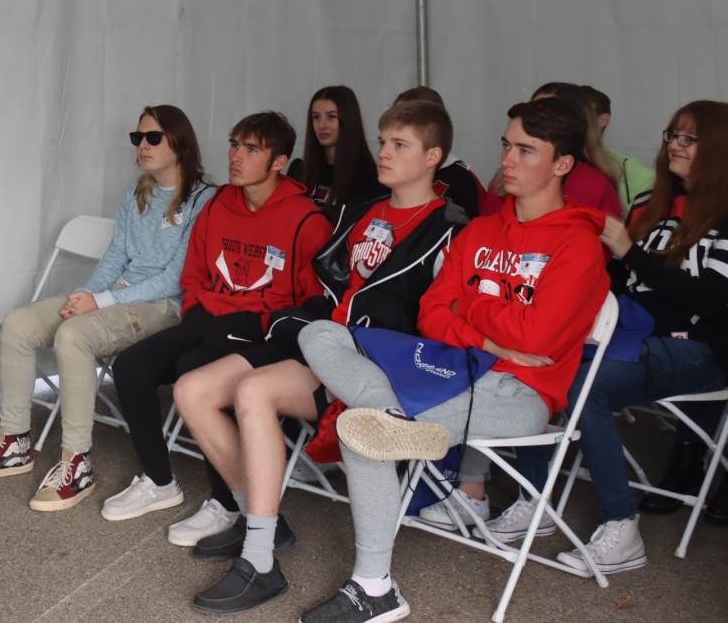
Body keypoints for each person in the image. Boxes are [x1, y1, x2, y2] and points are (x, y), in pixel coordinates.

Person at [296, 97, 608, 623]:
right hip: (445, 367)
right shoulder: (481, 231)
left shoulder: (578, 246)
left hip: (517, 394)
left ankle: (375, 588)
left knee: (359, 429)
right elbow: (431, 315)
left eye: (526, 150)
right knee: (321, 332)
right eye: (507, 146)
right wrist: (486, 336)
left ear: (562, 164)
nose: (507, 160)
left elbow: (537, 335)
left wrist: (467, 305)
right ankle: (385, 412)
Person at [177, 100, 468, 615]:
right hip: (321, 344)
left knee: (251, 391)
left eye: (400, 145)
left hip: (380, 366)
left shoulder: (450, 227)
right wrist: (292, 322)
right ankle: (258, 525)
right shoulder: (362, 211)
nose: (384, 152)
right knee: (192, 390)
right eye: (382, 141)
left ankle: (259, 558)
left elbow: (436, 321)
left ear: (433, 157)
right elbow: (329, 290)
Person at [481, 101, 728, 572]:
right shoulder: (650, 205)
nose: (673, 145)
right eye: (671, 135)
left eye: (687, 139)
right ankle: (537, 502)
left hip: (701, 350)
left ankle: (622, 527)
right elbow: (618, 282)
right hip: (630, 337)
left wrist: (631, 253)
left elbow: (709, 301)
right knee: (540, 365)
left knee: (580, 385)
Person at [0, 106, 213, 512]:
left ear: (179, 141)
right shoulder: (137, 190)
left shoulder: (203, 199)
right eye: (137, 138)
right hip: (117, 295)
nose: (142, 145)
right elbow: (115, 256)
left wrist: (101, 302)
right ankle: (15, 444)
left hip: (162, 305)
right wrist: (84, 296)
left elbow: (176, 278)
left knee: (73, 336)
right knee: (20, 323)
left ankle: (77, 463)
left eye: (153, 137)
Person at [103, 112, 332, 543]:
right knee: (131, 366)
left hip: (260, 330)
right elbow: (192, 273)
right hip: (208, 316)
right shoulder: (219, 203)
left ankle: (227, 504)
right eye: (234, 144)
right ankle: (160, 481)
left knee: (195, 371)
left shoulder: (306, 220)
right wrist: (195, 308)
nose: (236, 156)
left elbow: (312, 303)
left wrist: (262, 323)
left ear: (279, 162)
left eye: (251, 149)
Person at [481, 82, 621, 220]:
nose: (507, 161)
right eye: (534, 111)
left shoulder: (593, 186)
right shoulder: (502, 181)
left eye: (551, 114)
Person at [290, 85, 387, 220]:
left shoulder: (370, 180)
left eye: (331, 116)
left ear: (349, 120)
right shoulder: (298, 171)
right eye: (316, 117)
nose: (321, 125)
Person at [393, 86, 486, 217]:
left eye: (408, 120)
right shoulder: (387, 172)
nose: (395, 127)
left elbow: (474, 229)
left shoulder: (461, 178)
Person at [581, 84, 657, 214]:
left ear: (603, 120)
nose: (569, 120)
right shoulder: (551, 164)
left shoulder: (632, 172)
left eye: (582, 113)